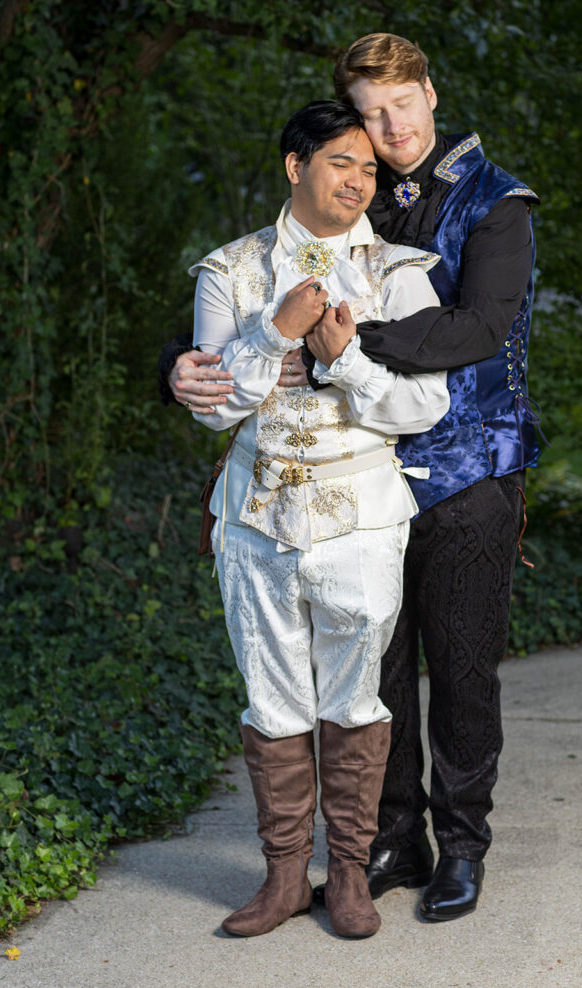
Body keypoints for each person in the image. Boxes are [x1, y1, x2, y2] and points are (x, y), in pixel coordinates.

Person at [163, 33, 541, 923]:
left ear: (431, 95)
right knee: (373, 668)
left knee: (459, 665)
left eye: (400, 106)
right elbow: (233, 323)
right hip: (354, 481)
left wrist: (336, 346)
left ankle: (464, 844)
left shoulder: (496, 203)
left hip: (465, 468)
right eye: (369, 115)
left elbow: (479, 330)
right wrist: (184, 367)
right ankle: (392, 836)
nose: (387, 130)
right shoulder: (357, 185)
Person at [187, 98, 449, 940]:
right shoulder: (227, 272)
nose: (361, 179)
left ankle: (348, 877)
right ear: (296, 167)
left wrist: (344, 362)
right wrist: (273, 333)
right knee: (271, 702)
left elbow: (423, 406)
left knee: (355, 700)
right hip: (256, 520)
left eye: (371, 167)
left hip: (364, 519)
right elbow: (211, 411)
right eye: (343, 161)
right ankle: (278, 878)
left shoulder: (400, 272)